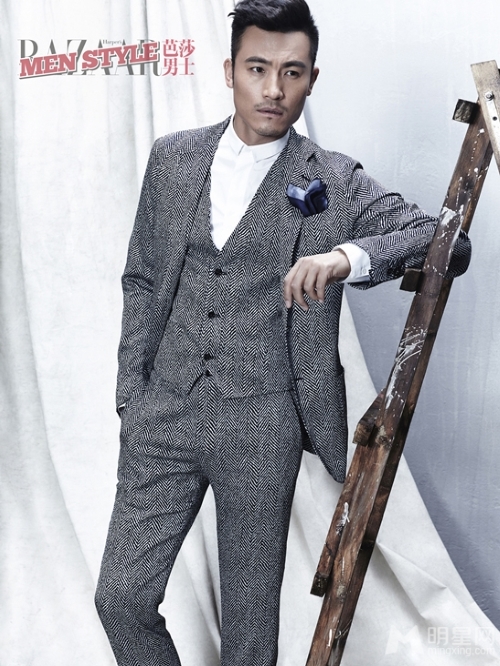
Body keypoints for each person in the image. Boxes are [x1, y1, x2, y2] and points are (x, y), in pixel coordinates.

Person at [95, 1, 471, 664]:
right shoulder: (174, 160)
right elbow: (143, 280)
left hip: (261, 422)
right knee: (121, 598)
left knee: (248, 635)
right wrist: (133, 396)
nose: (274, 88)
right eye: (257, 68)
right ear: (229, 71)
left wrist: (346, 257)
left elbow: (448, 241)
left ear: (311, 79)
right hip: (165, 411)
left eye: (292, 72)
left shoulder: (333, 177)